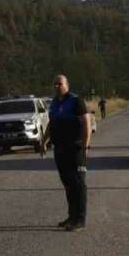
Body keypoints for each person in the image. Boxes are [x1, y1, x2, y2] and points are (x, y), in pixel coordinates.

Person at [41, 73, 90, 232]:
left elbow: (86, 123)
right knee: (68, 184)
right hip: (60, 149)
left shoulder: (76, 101)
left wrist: (85, 146)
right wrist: (44, 141)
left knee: (78, 184)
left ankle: (80, 220)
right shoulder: (54, 103)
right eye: (54, 84)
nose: (57, 87)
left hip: (75, 148)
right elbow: (51, 123)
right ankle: (71, 216)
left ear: (67, 85)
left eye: (59, 84)